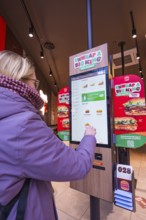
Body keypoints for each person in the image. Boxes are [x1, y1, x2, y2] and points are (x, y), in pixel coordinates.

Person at [0, 50, 96, 220]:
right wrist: (89, 137)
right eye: (34, 82)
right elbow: (78, 165)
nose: (35, 89)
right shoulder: (23, 126)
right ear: (19, 79)